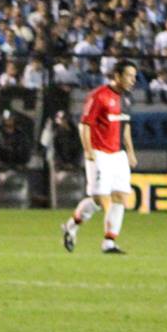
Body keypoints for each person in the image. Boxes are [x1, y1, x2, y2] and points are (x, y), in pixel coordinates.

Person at [61, 60, 138, 255]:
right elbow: (85, 124)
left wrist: (130, 151)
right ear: (117, 76)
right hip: (100, 153)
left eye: (134, 76)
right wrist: (88, 150)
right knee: (100, 200)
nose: (132, 80)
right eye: (129, 76)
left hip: (118, 154)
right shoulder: (98, 96)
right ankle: (71, 226)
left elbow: (125, 126)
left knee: (120, 197)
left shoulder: (127, 98)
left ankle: (109, 242)